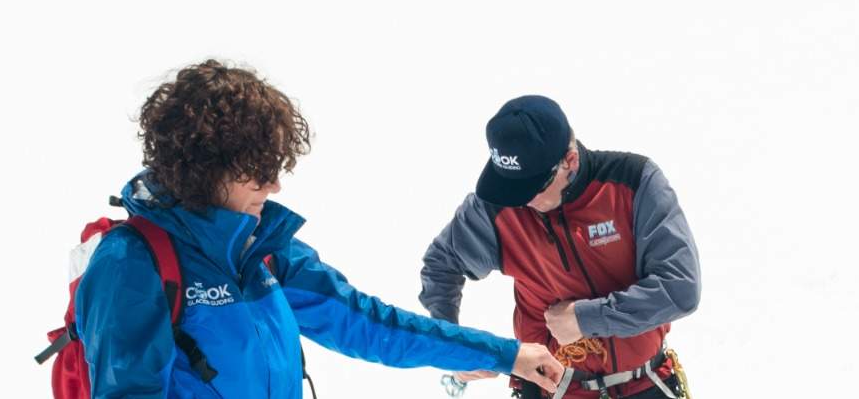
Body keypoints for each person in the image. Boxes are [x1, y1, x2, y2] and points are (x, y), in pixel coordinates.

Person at [74, 60, 566, 398]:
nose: (275, 184)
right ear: (206, 169)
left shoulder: (261, 252)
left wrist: (504, 354)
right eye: (257, 170)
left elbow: (369, 324)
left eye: (274, 166)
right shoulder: (132, 264)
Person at [421, 95, 701, 399]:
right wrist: (452, 345)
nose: (519, 200)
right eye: (509, 185)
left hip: (644, 383)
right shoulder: (496, 206)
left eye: (531, 187)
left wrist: (587, 318)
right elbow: (441, 264)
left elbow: (680, 288)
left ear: (569, 161)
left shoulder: (633, 182)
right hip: (550, 389)